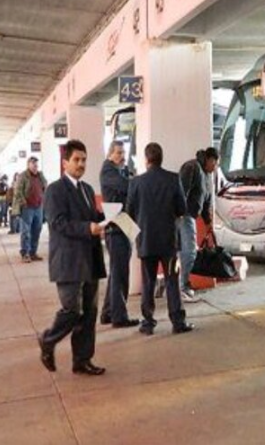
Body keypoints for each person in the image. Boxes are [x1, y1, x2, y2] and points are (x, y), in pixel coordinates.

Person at [38, 140, 107, 376]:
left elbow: (93, 215)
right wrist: (88, 228)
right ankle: (48, 340)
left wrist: (109, 216)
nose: (81, 164)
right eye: (76, 160)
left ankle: (82, 360)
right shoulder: (55, 190)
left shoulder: (87, 189)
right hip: (68, 261)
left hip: (90, 259)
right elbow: (58, 223)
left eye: (84, 160)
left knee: (89, 313)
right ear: (65, 162)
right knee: (72, 310)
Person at [127, 142, 194, 335]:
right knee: (172, 279)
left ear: (146, 159)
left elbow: (129, 213)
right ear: (161, 158)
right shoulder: (173, 179)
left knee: (148, 282)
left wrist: (136, 237)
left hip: (146, 241)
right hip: (169, 243)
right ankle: (178, 322)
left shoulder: (136, 183)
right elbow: (182, 209)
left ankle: (147, 323)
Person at [99, 141, 139, 328]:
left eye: (123, 152)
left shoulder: (118, 170)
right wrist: (138, 181)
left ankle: (108, 312)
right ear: (110, 154)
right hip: (117, 226)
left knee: (117, 271)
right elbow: (127, 188)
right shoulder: (108, 171)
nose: (122, 156)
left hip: (124, 224)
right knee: (120, 273)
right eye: (119, 153)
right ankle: (119, 317)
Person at [178, 147, 218, 302]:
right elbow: (182, 191)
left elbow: (205, 201)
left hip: (191, 216)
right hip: (184, 215)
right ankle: (183, 286)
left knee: (185, 252)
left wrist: (208, 224)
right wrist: (179, 212)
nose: (215, 167)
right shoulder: (192, 167)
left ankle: (182, 284)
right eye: (214, 163)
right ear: (208, 159)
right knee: (189, 251)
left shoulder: (207, 175)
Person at [15, 157, 48, 263]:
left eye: (36, 165)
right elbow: (18, 191)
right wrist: (23, 202)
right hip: (27, 208)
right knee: (26, 232)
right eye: (33, 164)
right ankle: (25, 253)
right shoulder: (23, 176)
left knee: (37, 230)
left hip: (39, 207)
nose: (35, 167)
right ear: (28, 164)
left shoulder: (40, 175)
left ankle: (33, 252)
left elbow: (45, 186)